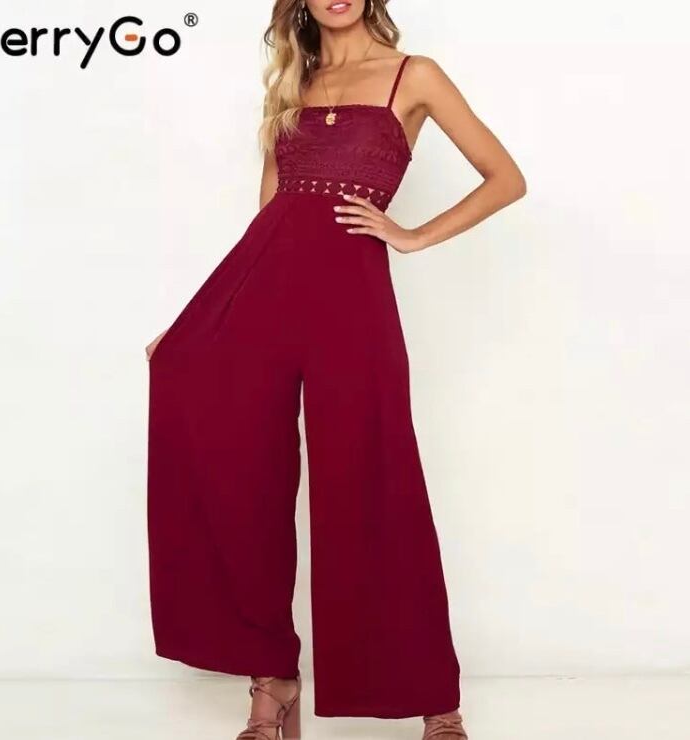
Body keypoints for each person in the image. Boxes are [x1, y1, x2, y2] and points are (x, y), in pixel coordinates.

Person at [145, 1, 526, 738]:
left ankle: (434, 699)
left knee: (376, 479)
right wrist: (203, 321)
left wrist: (412, 235)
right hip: (268, 293)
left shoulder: (415, 76)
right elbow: (269, 215)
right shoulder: (293, 84)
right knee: (248, 481)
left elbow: (505, 178)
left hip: (352, 301)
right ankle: (272, 682)